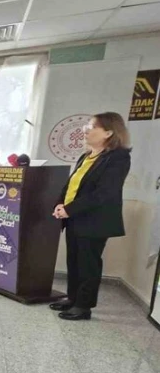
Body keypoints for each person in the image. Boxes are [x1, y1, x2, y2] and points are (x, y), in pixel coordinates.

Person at [51, 112, 132, 321]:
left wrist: (70, 209)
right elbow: (72, 185)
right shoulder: (86, 156)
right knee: (74, 261)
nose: (85, 129)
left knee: (88, 264)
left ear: (108, 132)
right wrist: (60, 204)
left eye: (91, 126)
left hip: (94, 221)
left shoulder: (118, 158)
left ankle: (83, 306)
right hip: (75, 217)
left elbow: (104, 193)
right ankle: (73, 298)